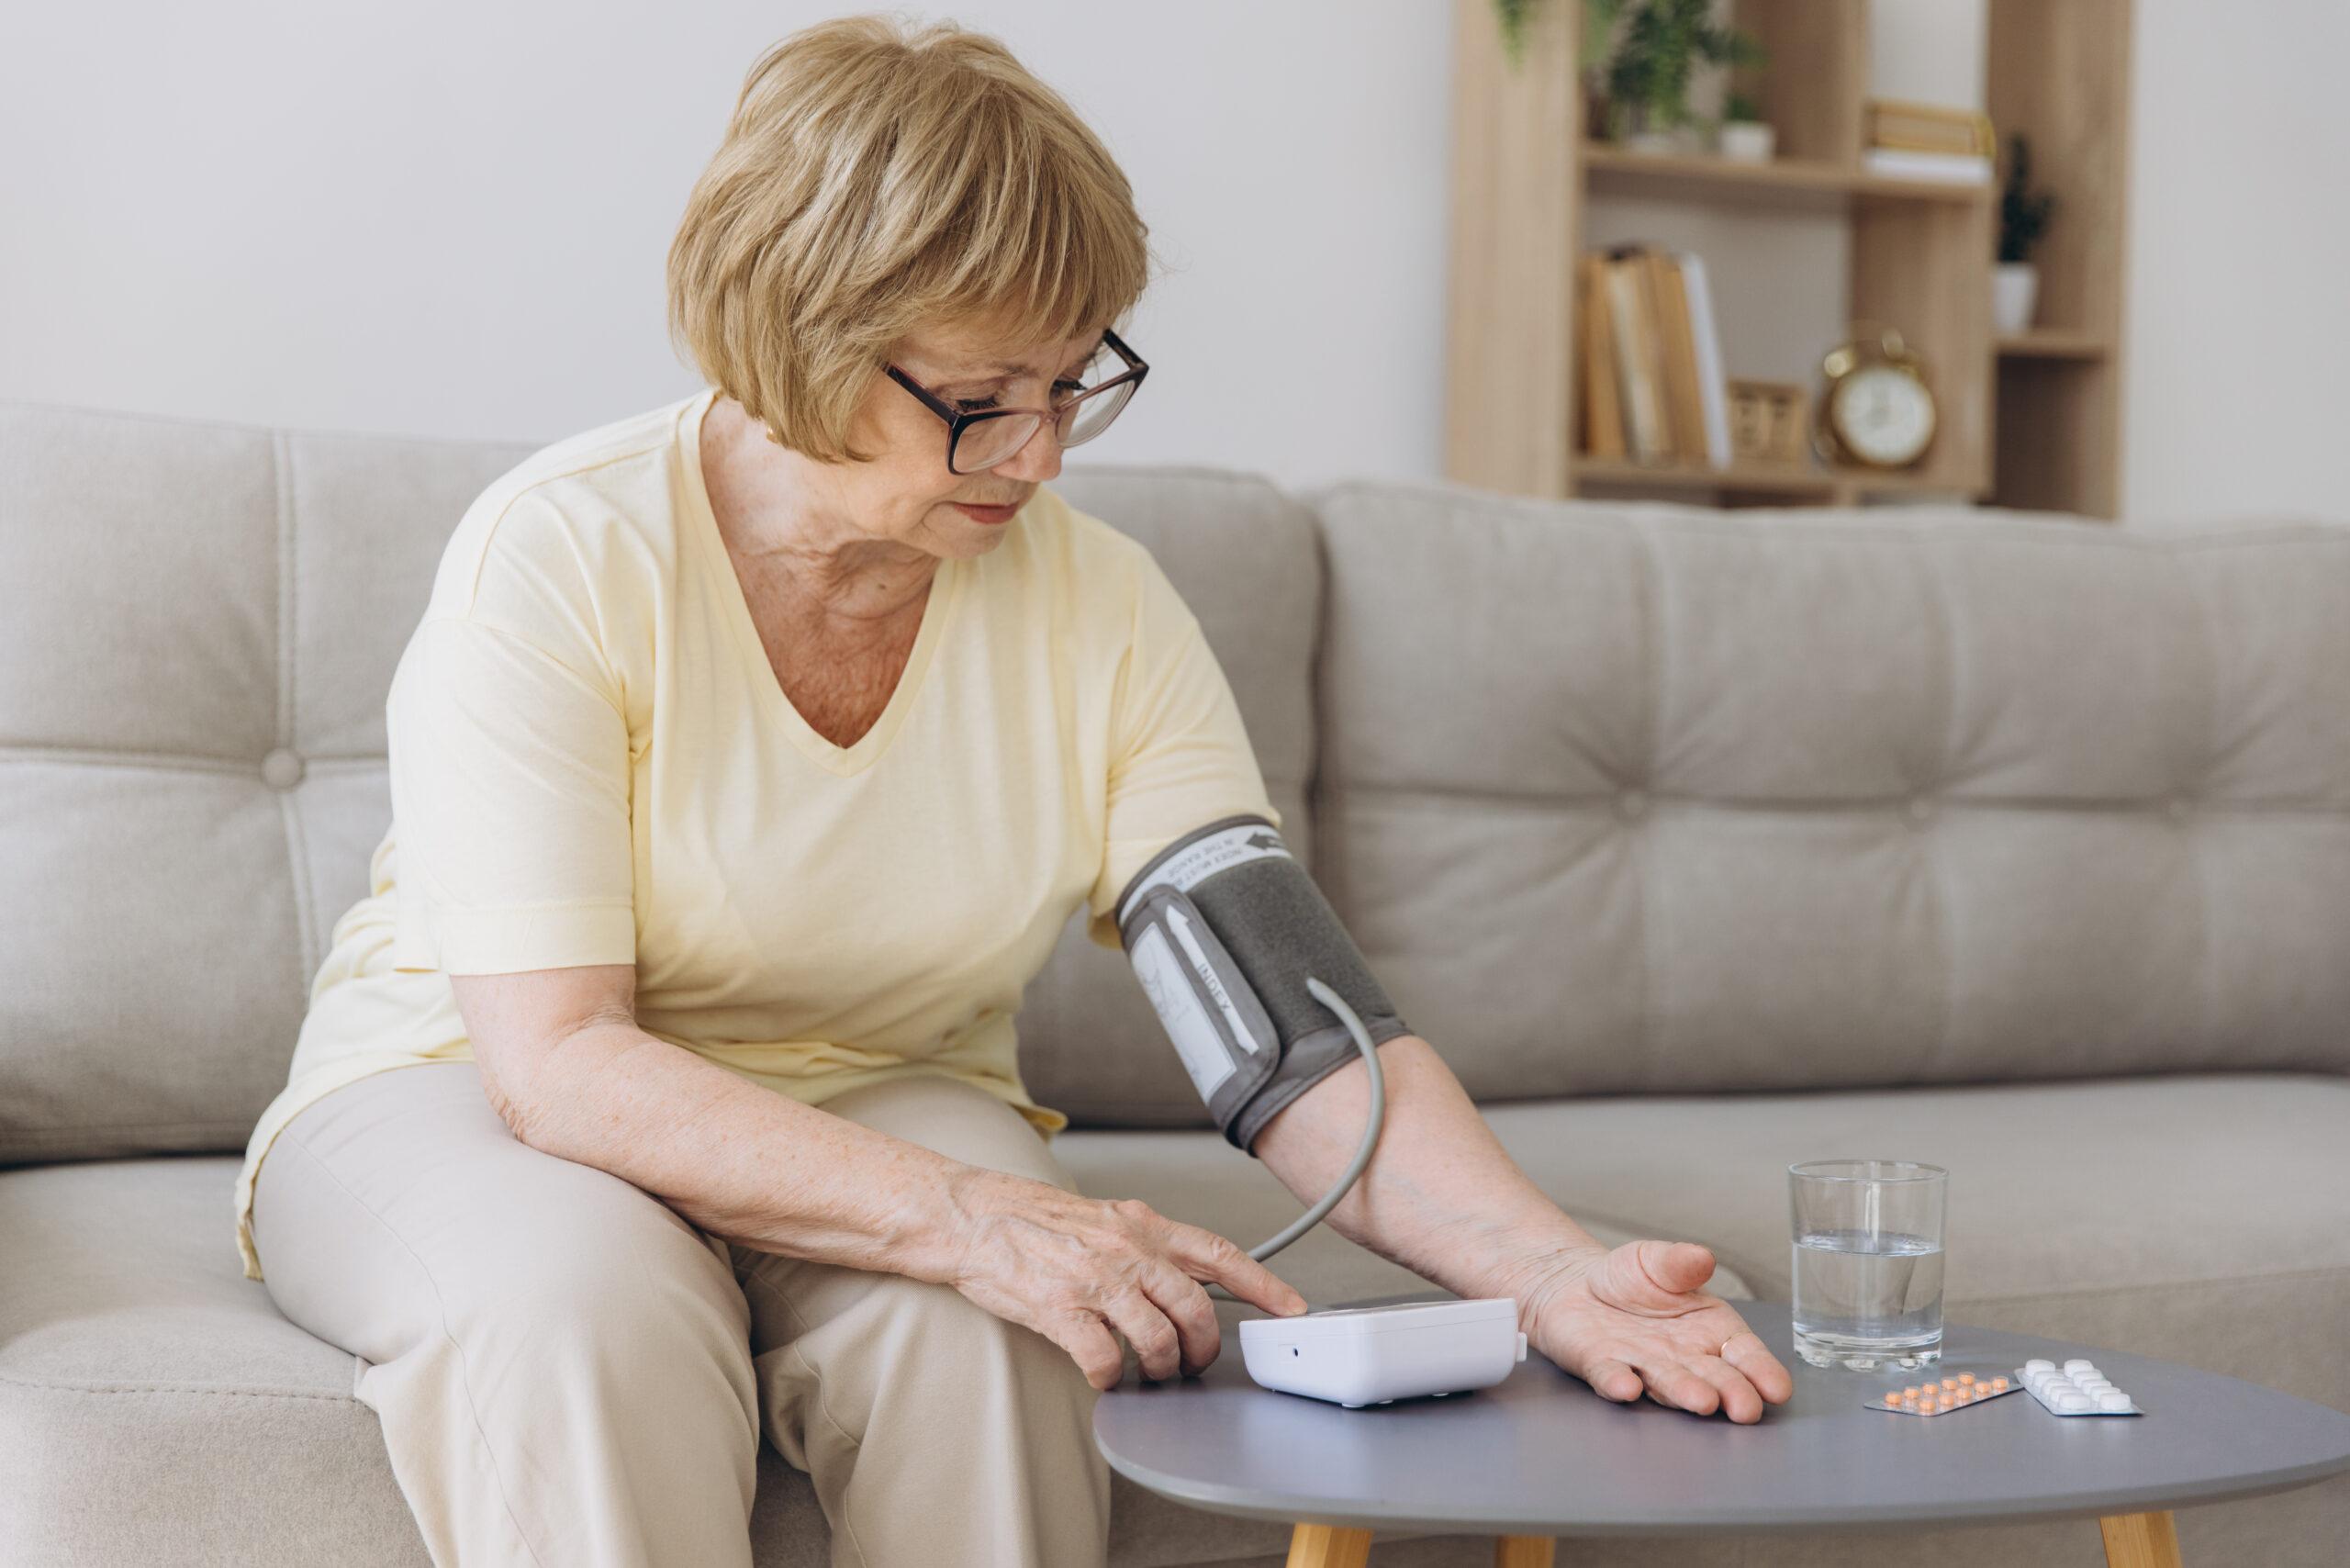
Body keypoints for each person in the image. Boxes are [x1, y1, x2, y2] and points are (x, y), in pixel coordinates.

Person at [234, 15, 1793, 1568]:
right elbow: (560, 1064)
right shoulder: (561, 556)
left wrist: (1544, 1271)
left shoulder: (1101, 609)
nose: (1041, 456)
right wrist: (971, 1217)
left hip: (875, 1076)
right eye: (984, 398)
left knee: (1030, 1337)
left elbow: (1296, 1037)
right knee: (587, 1312)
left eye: (1074, 384)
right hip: (474, 1093)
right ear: (800, 334)